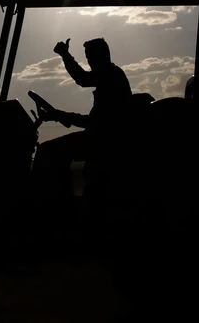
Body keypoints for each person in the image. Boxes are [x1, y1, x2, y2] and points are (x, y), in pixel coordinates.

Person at [30, 38, 132, 244]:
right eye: (88, 59)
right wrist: (58, 115)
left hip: (106, 143)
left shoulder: (111, 75)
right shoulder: (109, 81)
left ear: (102, 57)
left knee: (47, 152)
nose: (90, 63)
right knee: (52, 150)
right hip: (100, 138)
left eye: (91, 58)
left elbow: (82, 79)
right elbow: (92, 121)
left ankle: (54, 219)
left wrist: (66, 56)